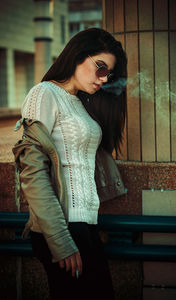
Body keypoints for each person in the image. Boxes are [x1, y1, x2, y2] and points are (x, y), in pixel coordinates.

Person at [13, 28, 127, 300]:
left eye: (108, 74)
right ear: (78, 55)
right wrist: (60, 240)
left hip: (84, 226)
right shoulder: (44, 93)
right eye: (100, 68)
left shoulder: (80, 102)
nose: (104, 79)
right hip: (61, 227)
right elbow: (32, 171)